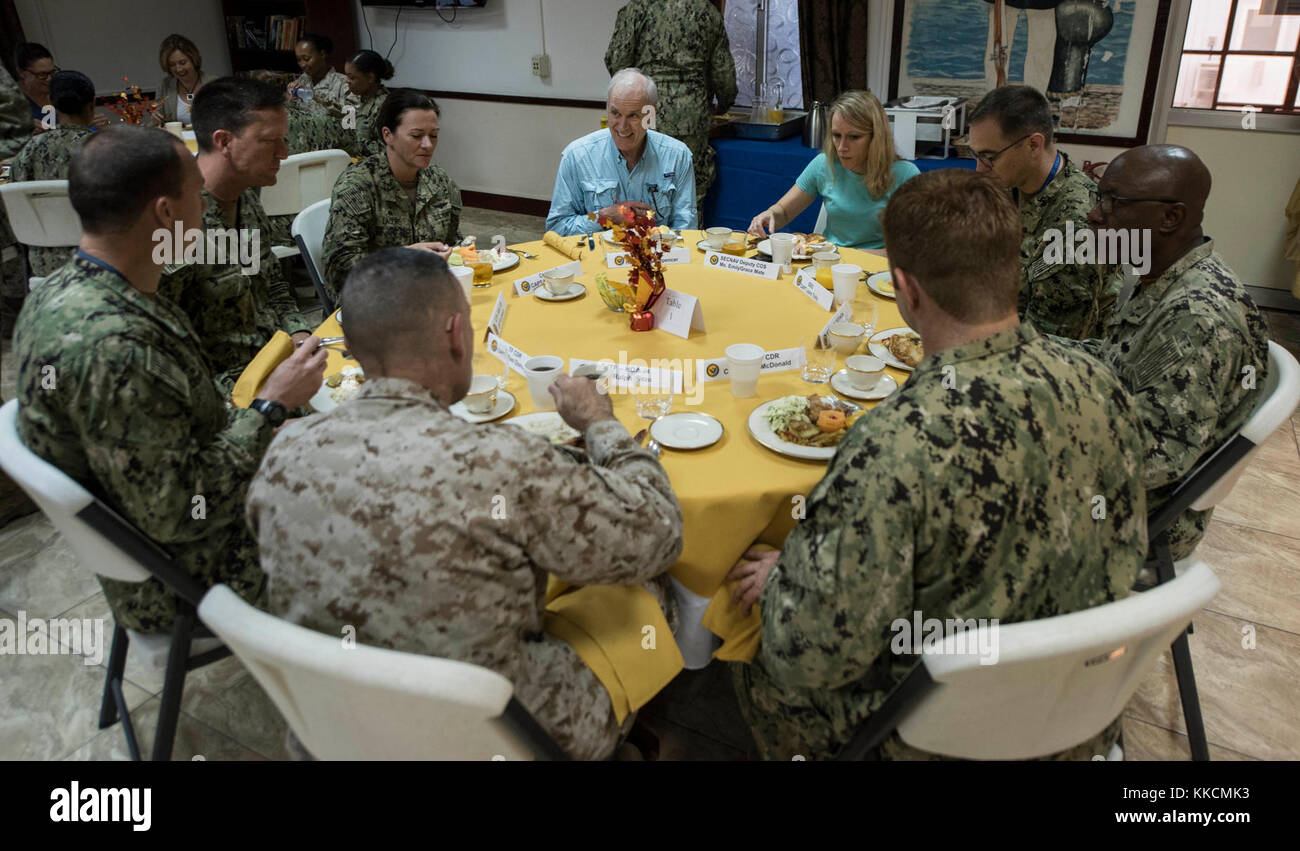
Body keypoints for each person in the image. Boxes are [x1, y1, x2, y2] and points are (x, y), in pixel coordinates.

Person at [727, 169, 1148, 761]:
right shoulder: (1102, 383)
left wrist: (789, 579)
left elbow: (810, 654)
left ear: (905, 289)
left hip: (942, 735)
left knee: (749, 660)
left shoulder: (893, 443)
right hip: (1081, 709)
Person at [246, 247, 684, 760]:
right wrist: (601, 425)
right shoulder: (502, 460)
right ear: (456, 335)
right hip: (493, 737)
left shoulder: (281, 452)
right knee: (651, 593)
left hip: (335, 730)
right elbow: (659, 532)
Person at [13, 125, 326, 634]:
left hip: (161, 534)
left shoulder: (68, 291)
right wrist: (268, 408)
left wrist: (263, 427)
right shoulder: (115, 347)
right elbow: (177, 510)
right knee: (377, 503)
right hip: (183, 575)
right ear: (166, 213)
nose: (204, 209)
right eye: (195, 196)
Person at [1071, 145, 1270, 561]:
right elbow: (1117, 360)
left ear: (1170, 218)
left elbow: (1158, 457)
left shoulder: (1197, 316)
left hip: (1142, 513)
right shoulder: (1166, 277)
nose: (1095, 214)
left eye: (1114, 202)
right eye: (1098, 196)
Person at [158, 76, 314, 396]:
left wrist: (299, 334)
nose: (283, 154)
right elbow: (164, 349)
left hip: (272, 363)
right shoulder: (175, 223)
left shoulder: (245, 200)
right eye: (271, 142)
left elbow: (272, 285)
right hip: (222, 394)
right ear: (225, 142)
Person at [968, 84, 1103, 340]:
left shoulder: (1075, 224)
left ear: (1033, 145)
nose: (979, 169)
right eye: (975, 155)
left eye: (988, 157)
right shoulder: (1010, 184)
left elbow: (1048, 342)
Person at [322, 90, 461, 302]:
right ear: (388, 135)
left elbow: (453, 242)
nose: (428, 145)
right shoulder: (358, 186)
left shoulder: (440, 181)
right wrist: (400, 258)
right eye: (416, 136)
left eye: (433, 135)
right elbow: (340, 270)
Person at [604, 0, 737, 210]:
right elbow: (724, 74)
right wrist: (725, 103)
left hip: (643, 112)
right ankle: (686, 239)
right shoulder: (707, 12)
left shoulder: (638, 8)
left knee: (641, 186)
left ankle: (641, 239)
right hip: (691, 114)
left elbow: (616, 61)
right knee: (689, 192)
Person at [748, 90, 918, 251]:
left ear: (876, 138)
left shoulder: (905, 175)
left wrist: (848, 256)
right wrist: (769, 214)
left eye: (854, 137)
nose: (842, 147)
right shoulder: (824, 163)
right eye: (836, 136)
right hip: (830, 262)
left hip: (876, 270)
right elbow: (783, 212)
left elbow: (912, 249)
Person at [546, 68, 696, 235]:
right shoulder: (577, 156)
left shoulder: (677, 156)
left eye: (633, 116)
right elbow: (556, 230)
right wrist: (604, 218)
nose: (622, 127)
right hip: (595, 257)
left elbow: (686, 233)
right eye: (616, 113)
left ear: (651, 115)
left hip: (658, 258)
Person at [11, 71, 98, 278]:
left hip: (46, 266)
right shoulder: (108, 147)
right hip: (101, 258)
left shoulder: (29, 150)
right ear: (92, 104)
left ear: (51, 102)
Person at [343, 49, 393, 159]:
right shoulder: (355, 99)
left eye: (352, 77)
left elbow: (387, 148)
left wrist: (354, 146)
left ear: (370, 77)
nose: (347, 81)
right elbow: (348, 129)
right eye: (347, 77)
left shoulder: (384, 106)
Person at [289, 33, 354, 118]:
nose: (302, 64)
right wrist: (290, 98)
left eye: (306, 59)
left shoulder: (343, 83)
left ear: (322, 54)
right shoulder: (302, 80)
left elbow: (349, 117)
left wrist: (314, 95)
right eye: (299, 60)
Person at [156, 34, 206, 125]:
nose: (179, 69)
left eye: (182, 63)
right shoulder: (165, 86)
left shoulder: (213, 83)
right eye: (172, 65)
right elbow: (158, 124)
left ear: (193, 59)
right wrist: (156, 119)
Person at [13, 43, 55, 132]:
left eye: (52, 72)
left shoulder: (60, 91)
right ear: (21, 73)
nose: (49, 79)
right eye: (42, 74)